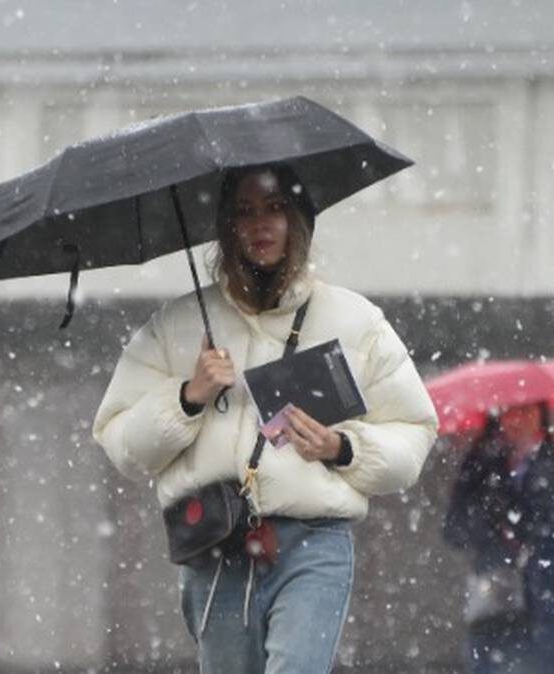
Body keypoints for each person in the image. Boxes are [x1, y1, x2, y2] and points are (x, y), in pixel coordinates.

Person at [92, 163, 439, 674]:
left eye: (275, 209)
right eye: (245, 212)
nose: (261, 225)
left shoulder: (356, 322)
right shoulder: (177, 325)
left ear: (300, 222)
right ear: (226, 228)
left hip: (315, 543)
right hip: (217, 544)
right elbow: (119, 443)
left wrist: (341, 449)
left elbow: (414, 433)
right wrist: (188, 396)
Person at [443, 403, 554, 674]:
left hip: (545, 604)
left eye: (529, 411)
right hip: (493, 601)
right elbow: (454, 530)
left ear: (542, 414)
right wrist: (489, 510)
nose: (520, 420)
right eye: (512, 411)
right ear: (498, 415)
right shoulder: (481, 461)